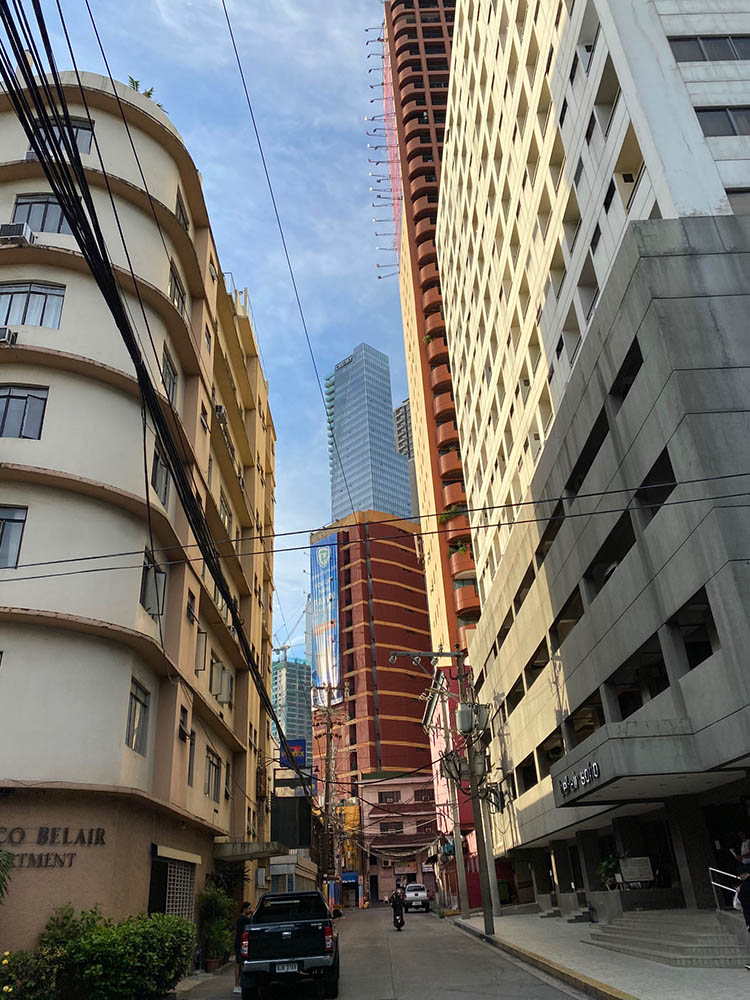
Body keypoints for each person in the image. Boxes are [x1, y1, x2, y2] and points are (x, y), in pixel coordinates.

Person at [233, 901, 253, 994]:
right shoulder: (244, 919)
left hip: (238, 943)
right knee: (238, 964)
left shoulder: (240, 919)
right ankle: (237, 985)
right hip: (240, 944)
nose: (250, 910)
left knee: (239, 964)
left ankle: (238, 984)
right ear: (245, 909)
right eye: (249, 908)